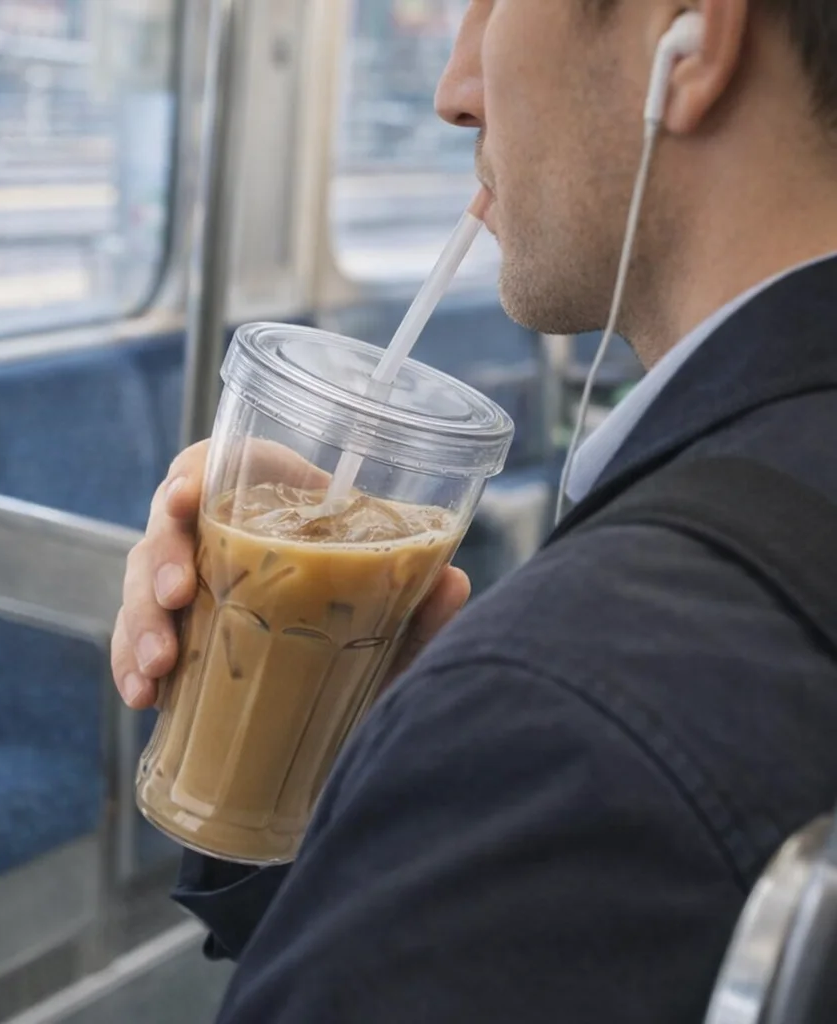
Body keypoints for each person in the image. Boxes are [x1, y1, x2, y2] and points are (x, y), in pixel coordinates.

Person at [112, 1, 837, 1020]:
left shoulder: (551, 714)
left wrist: (462, 741)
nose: (455, 92)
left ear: (689, 38)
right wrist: (372, 766)